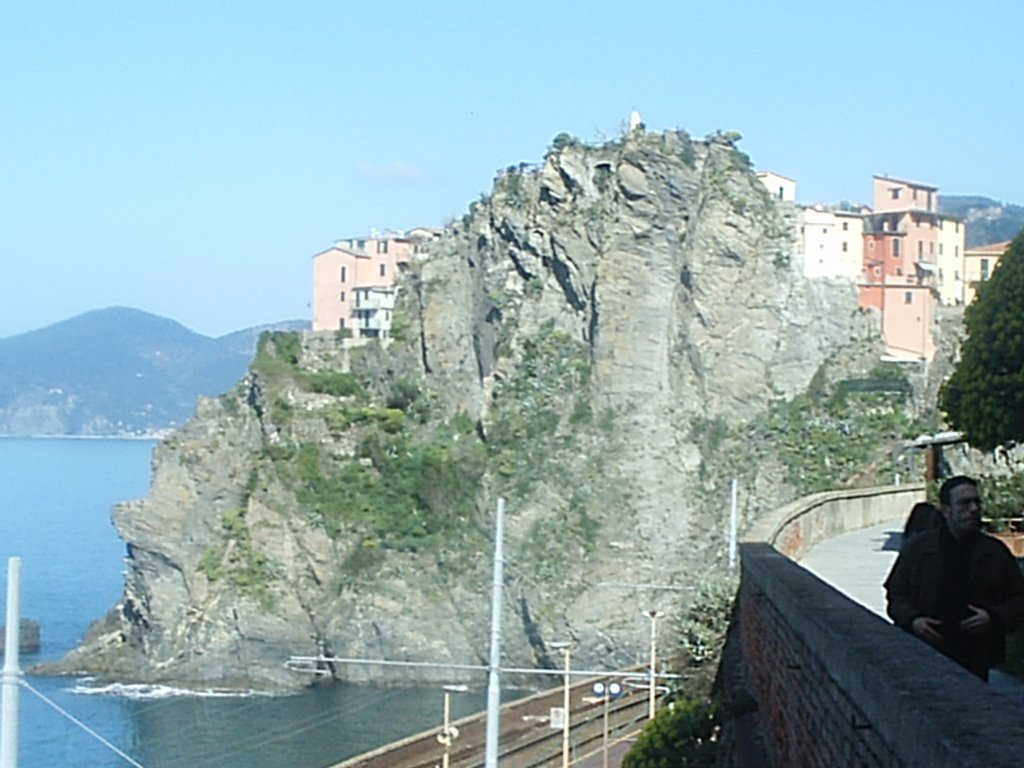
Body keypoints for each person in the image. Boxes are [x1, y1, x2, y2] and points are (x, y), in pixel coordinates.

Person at [884, 475, 1024, 681]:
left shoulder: (994, 552)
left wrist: (993, 618)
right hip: (924, 651)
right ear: (946, 510)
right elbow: (896, 592)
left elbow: (1018, 598)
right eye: (964, 503)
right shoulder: (920, 548)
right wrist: (913, 620)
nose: (974, 509)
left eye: (976, 502)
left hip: (975, 655)